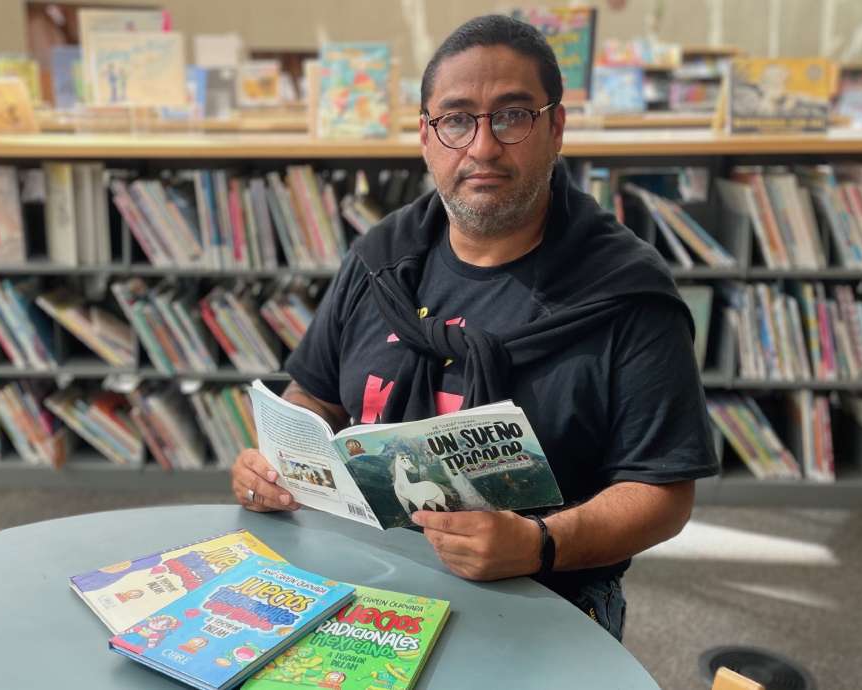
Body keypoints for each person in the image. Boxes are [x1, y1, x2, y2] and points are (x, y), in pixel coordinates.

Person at [230, 14, 718, 641]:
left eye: (512, 116)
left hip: (546, 593)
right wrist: (278, 466)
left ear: (556, 128)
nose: (482, 148)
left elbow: (662, 490)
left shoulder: (624, 293)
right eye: (456, 120)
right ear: (427, 137)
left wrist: (541, 544)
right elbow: (313, 396)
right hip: (363, 575)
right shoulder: (381, 261)